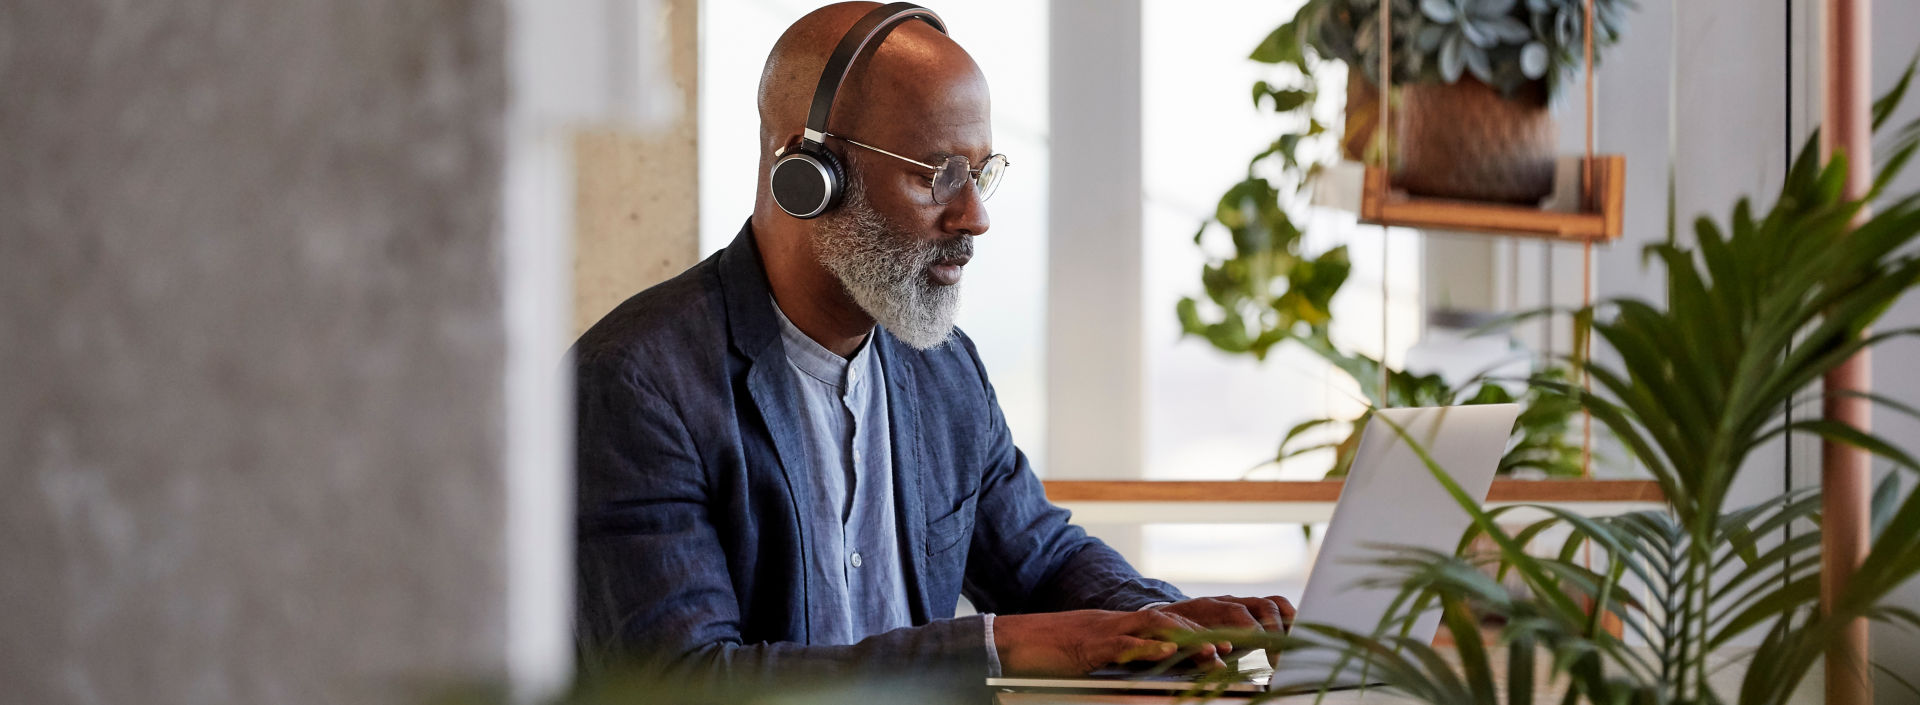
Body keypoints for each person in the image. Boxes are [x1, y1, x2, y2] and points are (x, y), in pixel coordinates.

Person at [571, 1, 1293, 692]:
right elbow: (682, 682)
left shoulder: (942, 368)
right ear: (806, 175)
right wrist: (997, 645)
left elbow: (1042, 561)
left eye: (979, 173)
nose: (975, 216)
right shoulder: (635, 384)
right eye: (936, 173)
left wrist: (1163, 620)